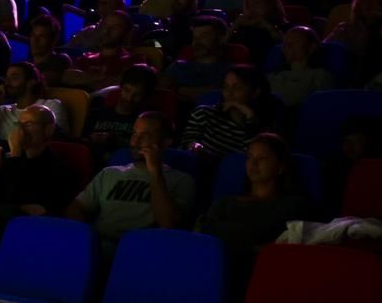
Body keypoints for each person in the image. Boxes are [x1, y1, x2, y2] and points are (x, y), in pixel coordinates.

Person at [66, 112, 194, 256]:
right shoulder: (109, 173)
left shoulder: (181, 180)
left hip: (144, 252)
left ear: (165, 142)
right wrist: (87, 240)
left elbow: (168, 224)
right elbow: (76, 208)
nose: (136, 141)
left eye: (145, 135)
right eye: (134, 133)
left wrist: (155, 171)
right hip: (99, 247)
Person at [198, 133, 309, 291]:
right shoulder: (224, 202)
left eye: (262, 157)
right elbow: (206, 232)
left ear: (280, 167)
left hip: (254, 277)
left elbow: (263, 235)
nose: (253, 163)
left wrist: (227, 233)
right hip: (212, 270)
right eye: (250, 157)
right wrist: (250, 244)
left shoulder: (292, 205)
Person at [0, 102, 81, 224]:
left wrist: (16, 155)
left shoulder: (60, 170)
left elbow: (32, 208)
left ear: (49, 130)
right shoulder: (11, 161)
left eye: (28, 124)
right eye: (19, 125)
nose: (21, 131)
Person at [180, 65, 274, 159]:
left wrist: (250, 116)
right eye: (226, 86)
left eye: (237, 88)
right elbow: (188, 140)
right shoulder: (204, 113)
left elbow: (250, 158)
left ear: (255, 92)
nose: (229, 92)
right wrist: (195, 147)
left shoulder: (262, 130)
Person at [0, 62, 69, 140]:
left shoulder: (51, 106)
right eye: (6, 78)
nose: (7, 83)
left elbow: (58, 141)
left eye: (14, 78)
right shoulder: (1, 110)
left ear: (31, 83)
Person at [268, 26, 335, 108]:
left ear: (312, 47)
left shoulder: (320, 77)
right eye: (285, 43)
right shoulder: (272, 76)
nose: (288, 45)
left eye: (296, 42)